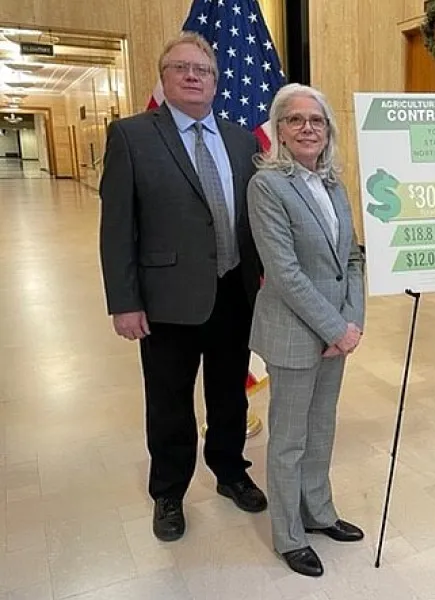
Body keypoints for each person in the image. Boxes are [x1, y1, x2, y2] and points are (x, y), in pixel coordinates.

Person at [99, 32, 267, 542]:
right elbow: (117, 227)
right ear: (164, 76)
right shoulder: (131, 135)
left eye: (203, 69)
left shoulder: (241, 139)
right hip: (166, 302)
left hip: (234, 294)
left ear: (217, 81)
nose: (193, 76)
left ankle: (230, 471)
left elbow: (255, 220)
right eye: (181, 67)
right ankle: (168, 492)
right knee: (170, 400)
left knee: (228, 395)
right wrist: (125, 303)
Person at [247, 84, 365, 577]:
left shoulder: (334, 184)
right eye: (295, 120)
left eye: (316, 120)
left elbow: (353, 258)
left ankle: (318, 513)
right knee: (289, 439)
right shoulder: (267, 187)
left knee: (322, 430)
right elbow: (285, 272)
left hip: (337, 334)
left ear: (328, 130)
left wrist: (352, 322)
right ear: (279, 130)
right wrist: (336, 327)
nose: (307, 128)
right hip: (296, 333)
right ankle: (288, 535)